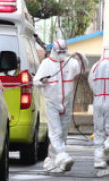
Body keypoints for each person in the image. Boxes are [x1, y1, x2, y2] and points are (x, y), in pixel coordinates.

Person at [33, 39, 88, 172]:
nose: (61, 55)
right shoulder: (46, 63)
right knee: (55, 132)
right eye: (59, 52)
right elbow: (35, 80)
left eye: (64, 52)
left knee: (62, 134)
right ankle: (63, 156)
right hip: (52, 102)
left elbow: (83, 68)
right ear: (54, 51)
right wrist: (42, 80)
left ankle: (52, 161)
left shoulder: (71, 63)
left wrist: (81, 56)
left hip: (67, 103)